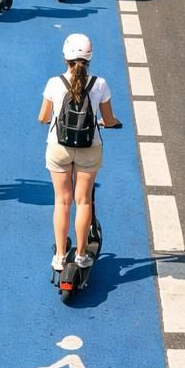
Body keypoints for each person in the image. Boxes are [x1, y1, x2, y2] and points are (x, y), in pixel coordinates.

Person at [38, 34, 121, 271]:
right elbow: (108, 118)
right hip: (89, 147)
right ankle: (82, 255)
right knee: (83, 201)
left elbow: (43, 117)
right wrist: (112, 123)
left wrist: (50, 119)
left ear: (65, 57)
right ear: (90, 57)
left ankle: (60, 256)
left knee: (61, 201)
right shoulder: (100, 84)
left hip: (59, 147)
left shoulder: (54, 83)